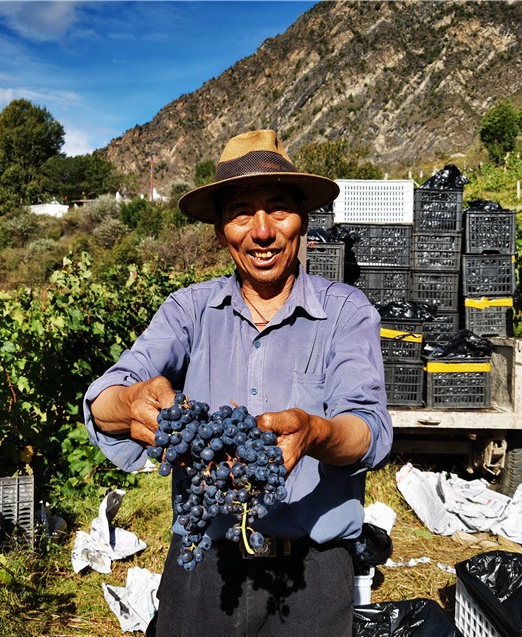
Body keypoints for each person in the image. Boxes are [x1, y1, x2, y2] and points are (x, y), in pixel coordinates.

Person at [84, 129, 393, 636]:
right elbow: (104, 399)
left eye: (279, 209)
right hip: (204, 566)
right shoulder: (188, 311)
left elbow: (368, 430)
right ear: (220, 230)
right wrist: (130, 402)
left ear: (303, 219)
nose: (262, 231)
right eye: (242, 213)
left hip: (312, 575)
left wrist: (315, 432)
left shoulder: (346, 312)